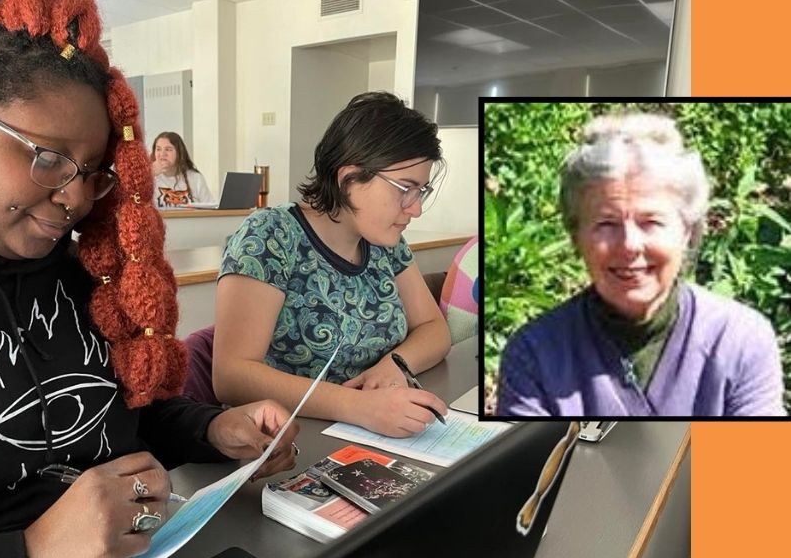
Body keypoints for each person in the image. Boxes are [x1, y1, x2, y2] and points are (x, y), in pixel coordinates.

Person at [0, 1, 298, 558]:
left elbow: (115, 417)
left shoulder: (71, 274)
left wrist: (212, 430)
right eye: (49, 158)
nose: (75, 199)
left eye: (90, 171)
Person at [497, 113, 786, 417]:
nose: (629, 245)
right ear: (575, 236)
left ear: (687, 231)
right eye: (607, 223)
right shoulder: (536, 354)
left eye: (651, 222)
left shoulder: (739, 341)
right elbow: (534, 465)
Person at [212, 92, 452, 438]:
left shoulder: (386, 244)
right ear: (349, 179)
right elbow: (231, 376)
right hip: (292, 441)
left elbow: (434, 328)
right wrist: (359, 407)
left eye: (421, 191)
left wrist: (394, 366)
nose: (415, 209)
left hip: (373, 430)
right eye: (405, 189)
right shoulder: (270, 236)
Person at [150, 131, 214, 208]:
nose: (162, 154)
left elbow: (211, 207)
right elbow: (136, 205)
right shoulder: (149, 177)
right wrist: (148, 175)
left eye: (168, 149)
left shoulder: (195, 178)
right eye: (158, 149)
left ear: (179, 153)